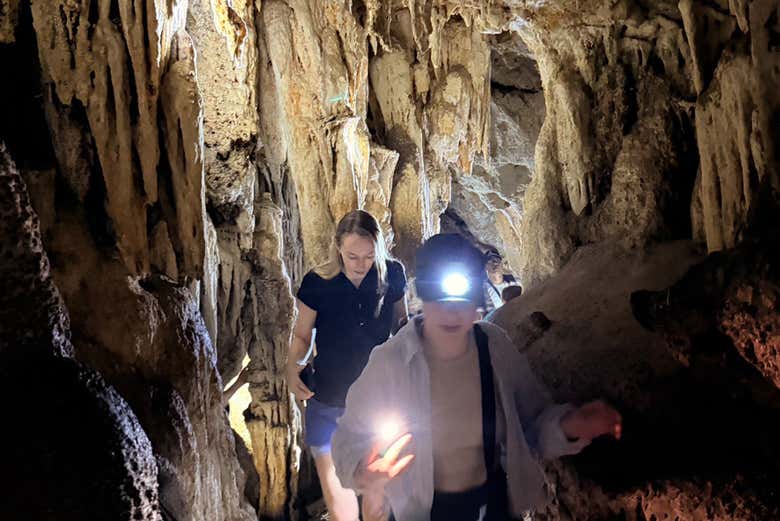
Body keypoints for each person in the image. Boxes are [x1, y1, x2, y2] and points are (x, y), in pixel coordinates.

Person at [332, 233, 621, 521]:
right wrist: (364, 473)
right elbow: (346, 441)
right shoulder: (391, 362)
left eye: (461, 301)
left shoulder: (494, 348)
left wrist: (571, 425)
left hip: (491, 509)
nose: (451, 312)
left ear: (475, 303)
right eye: (440, 300)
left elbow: (530, 426)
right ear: (422, 294)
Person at [285, 210, 409, 521]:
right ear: (338, 246)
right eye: (352, 256)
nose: (360, 264)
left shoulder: (392, 275)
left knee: (377, 500)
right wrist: (293, 366)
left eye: (368, 256)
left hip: (378, 401)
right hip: (328, 400)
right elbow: (302, 335)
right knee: (340, 504)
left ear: (378, 251)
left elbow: (402, 327)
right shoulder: (318, 283)